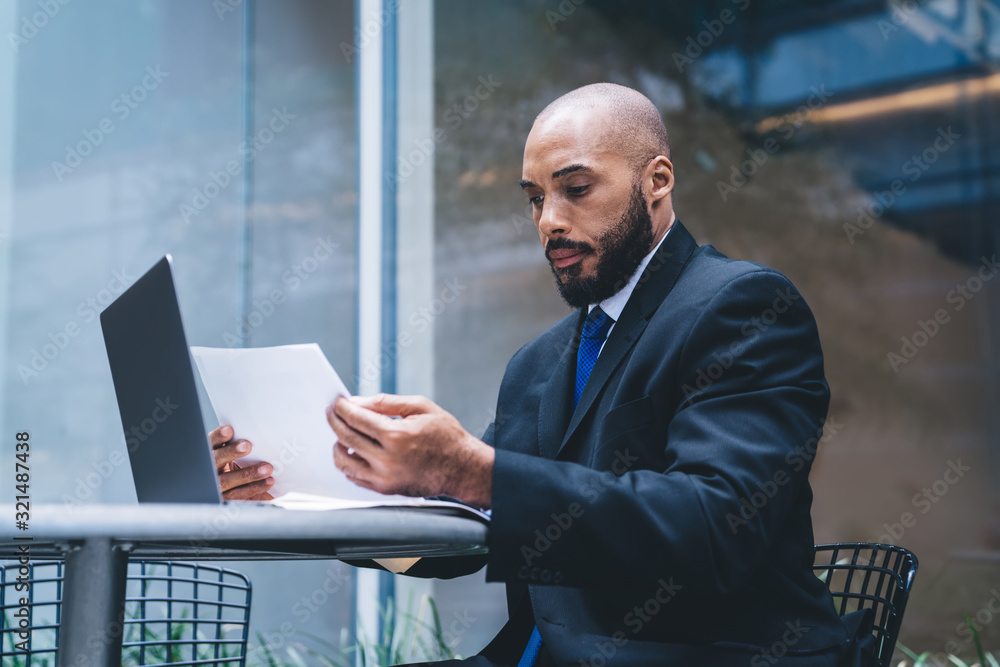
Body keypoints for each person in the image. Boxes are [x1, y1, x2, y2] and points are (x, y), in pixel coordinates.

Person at [210, 83, 871, 666]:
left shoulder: (743, 307)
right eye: (534, 199)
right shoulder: (538, 363)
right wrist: (315, 494)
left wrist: (473, 470)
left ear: (658, 180)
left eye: (576, 188)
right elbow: (467, 542)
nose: (550, 219)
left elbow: (713, 528)